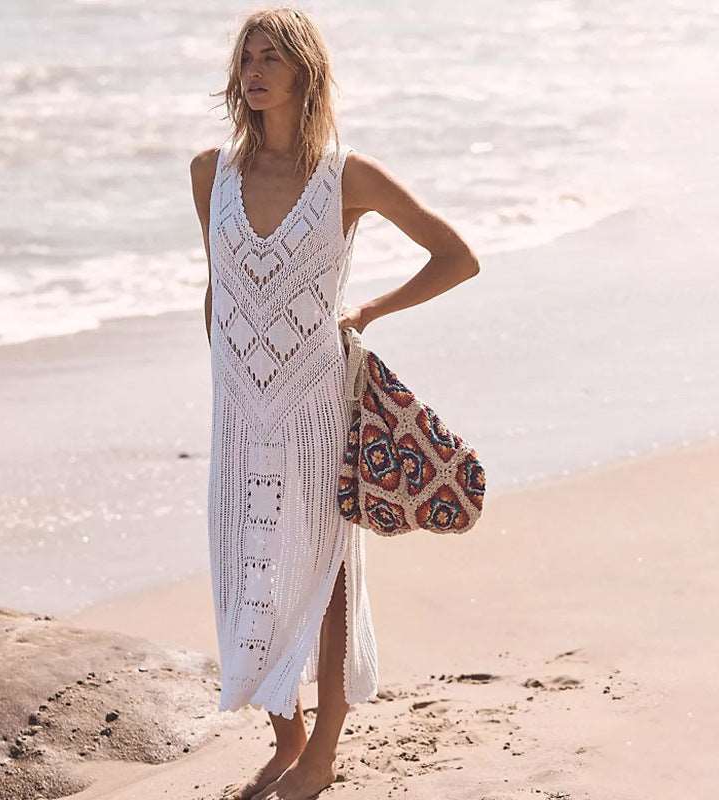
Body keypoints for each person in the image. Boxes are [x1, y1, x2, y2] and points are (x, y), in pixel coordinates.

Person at [189, 8, 479, 799]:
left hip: (318, 396)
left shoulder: (348, 177)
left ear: (304, 72)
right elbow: (218, 287)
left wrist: (372, 311)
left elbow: (457, 258)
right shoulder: (209, 170)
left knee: (322, 575)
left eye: (271, 56)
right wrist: (225, 375)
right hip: (238, 404)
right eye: (246, 56)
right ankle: (282, 735)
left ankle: (322, 751)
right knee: (244, 569)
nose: (254, 70)